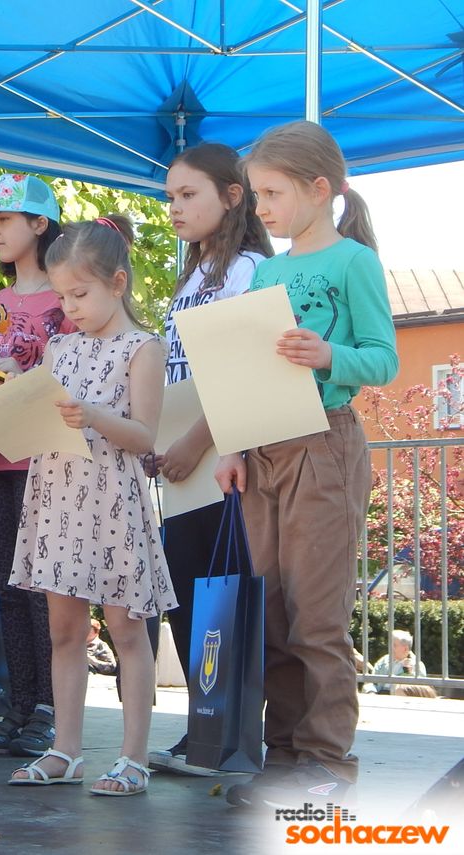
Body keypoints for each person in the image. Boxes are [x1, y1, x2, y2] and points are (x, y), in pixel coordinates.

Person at [214, 120, 399, 807]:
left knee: (316, 616)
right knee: (273, 611)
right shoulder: (268, 269)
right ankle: (283, 754)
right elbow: (251, 365)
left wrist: (330, 357)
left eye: (272, 192)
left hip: (325, 441)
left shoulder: (353, 261)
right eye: (257, 193)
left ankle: (326, 761)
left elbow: (383, 356)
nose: (260, 206)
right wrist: (232, 443)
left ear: (320, 189)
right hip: (265, 445)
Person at [7, 217, 175, 794]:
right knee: (63, 630)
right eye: (61, 295)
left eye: (80, 294)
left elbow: (145, 436)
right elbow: (44, 414)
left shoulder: (143, 348)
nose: (69, 307)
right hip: (57, 497)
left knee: (127, 628)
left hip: (111, 500)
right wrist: (14, 393)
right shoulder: (59, 347)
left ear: (118, 283)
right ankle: (66, 750)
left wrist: (94, 415)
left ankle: (134, 757)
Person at [145, 143, 273, 776]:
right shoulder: (188, 278)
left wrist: (197, 438)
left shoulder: (251, 269)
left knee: (227, 592)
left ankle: (236, 729)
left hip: (224, 458)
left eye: (187, 194)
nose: (174, 208)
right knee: (185, 593)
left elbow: (247, 369)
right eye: (169, 196)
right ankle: (204, 721)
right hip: (178, 467)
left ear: (232, 195)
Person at [0, 174, 73, 758]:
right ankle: (19, 705)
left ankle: (52, 708)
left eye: (4, 219)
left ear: (39, 224)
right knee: (4, 582)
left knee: (42, 588)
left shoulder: (69, 296)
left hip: (49, 460)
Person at [363, 630, 435, 697]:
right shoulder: (383, 661)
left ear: (405, 649)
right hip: (379, 697)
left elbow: (416, 690)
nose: (390, 648)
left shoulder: (417, 665)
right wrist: (371, 692)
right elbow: (371, 681)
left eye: (394, 645)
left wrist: (407, 672)